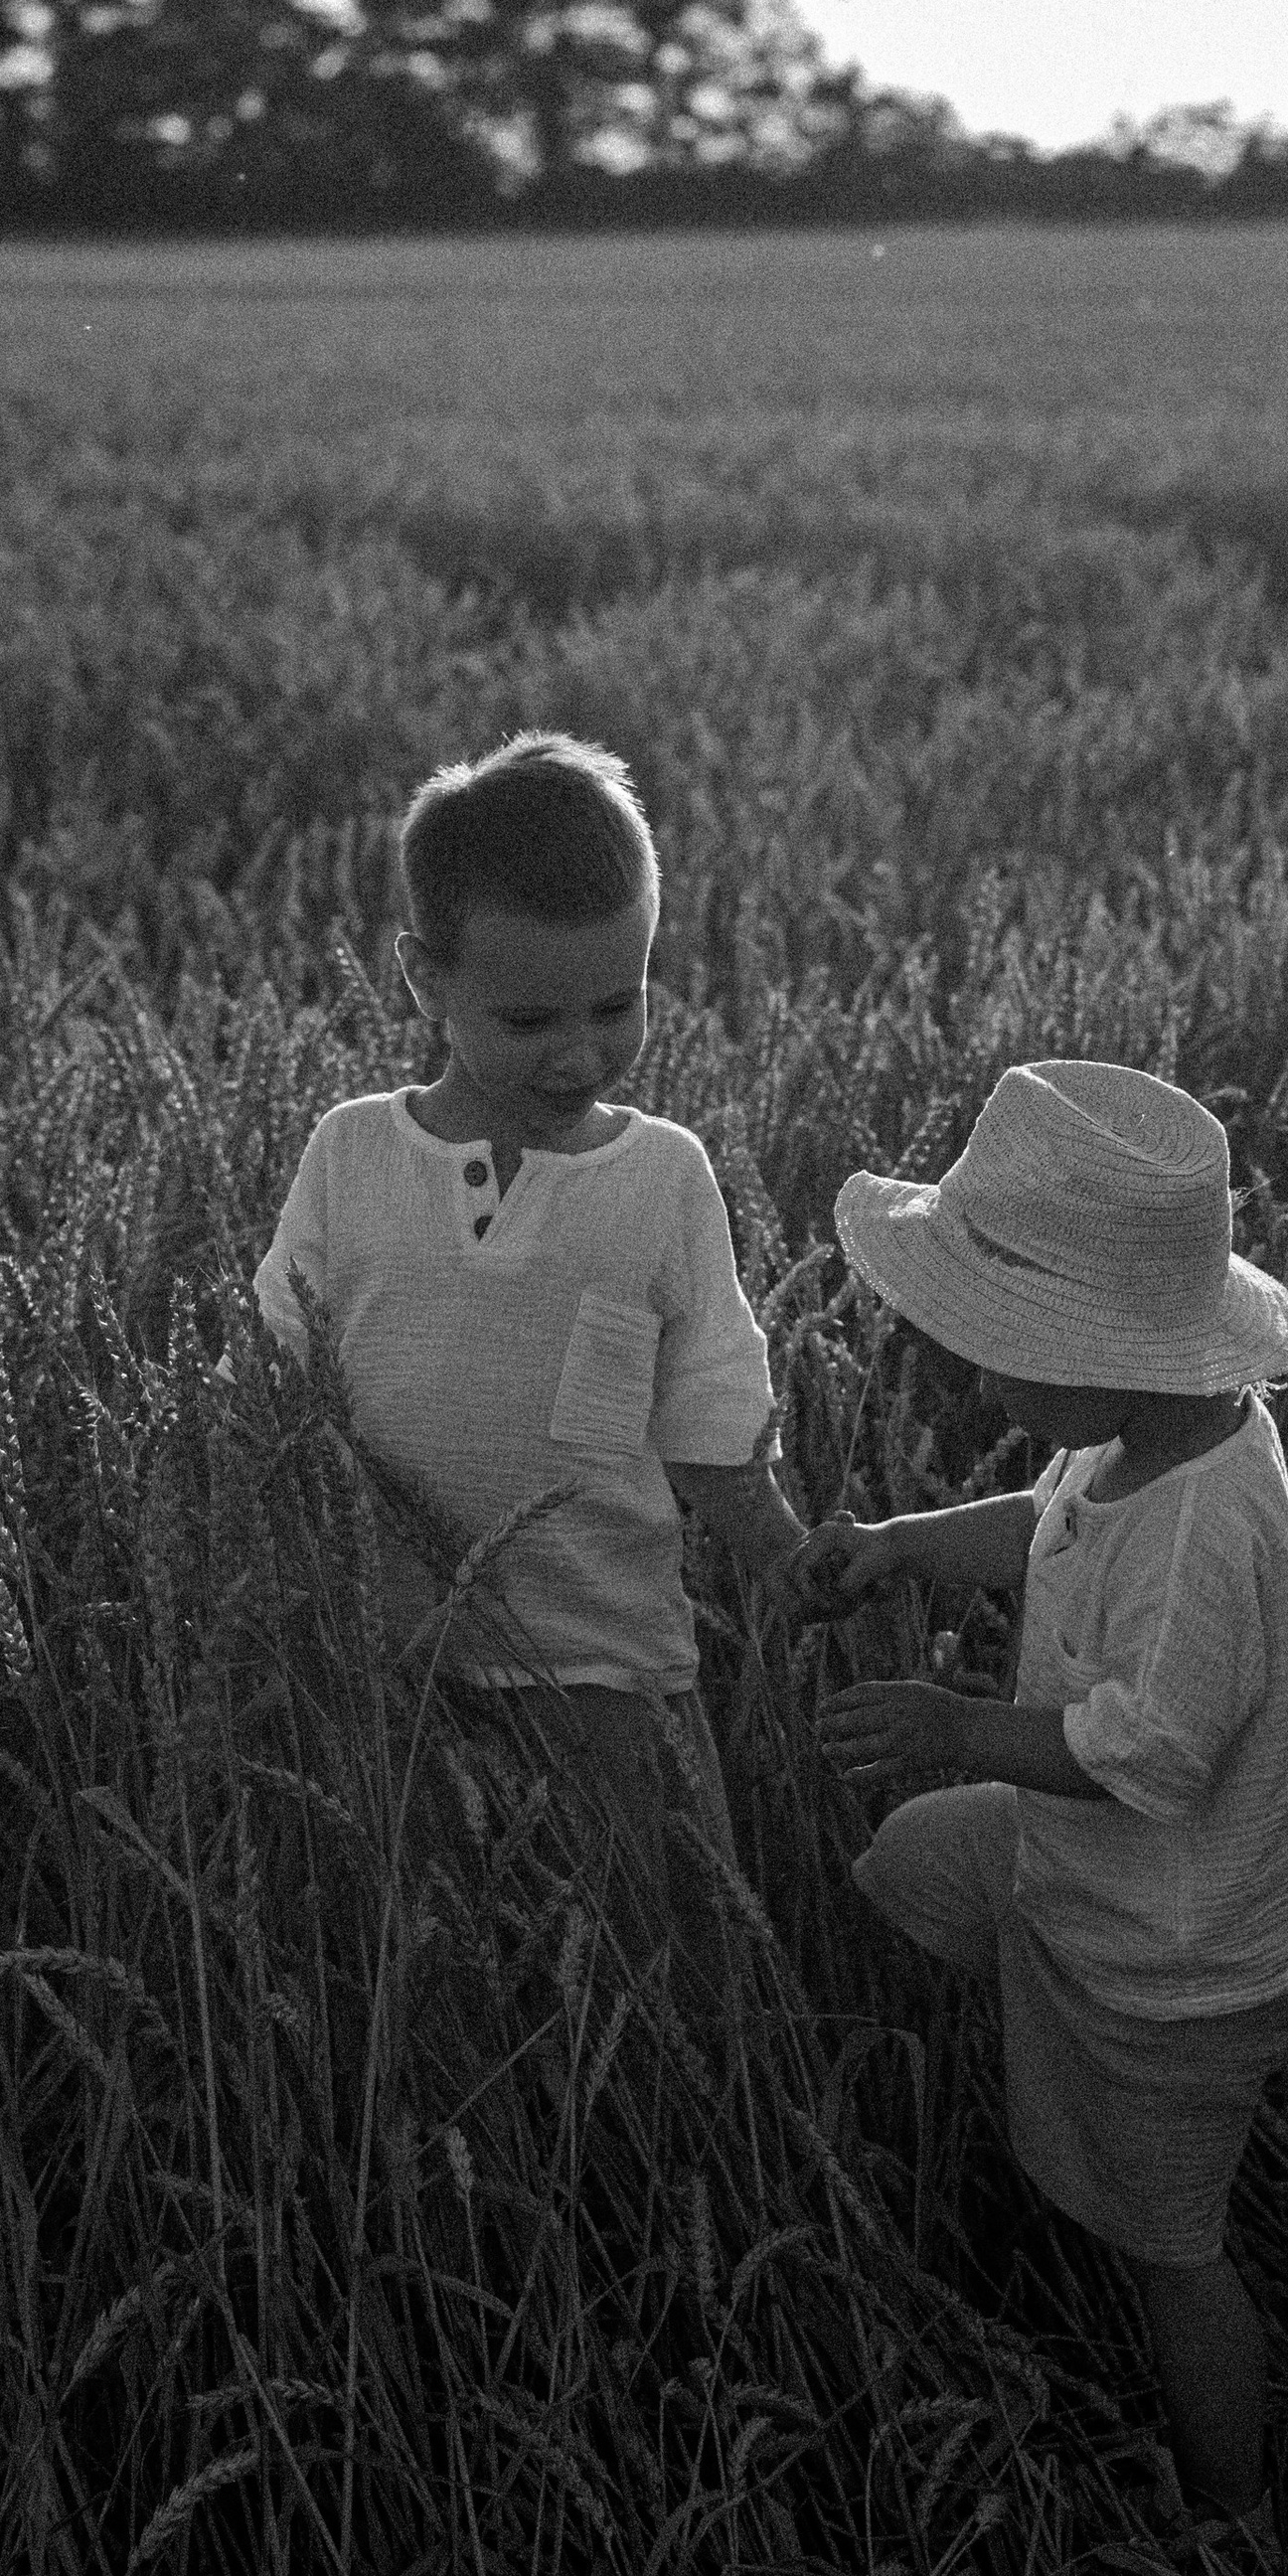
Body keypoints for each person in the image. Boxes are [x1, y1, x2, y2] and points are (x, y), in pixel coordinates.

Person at [786, 1058, 1288, 2536]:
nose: (979, 1378)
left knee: (1178, 2246)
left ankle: (1233, 2523)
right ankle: (991, 2122)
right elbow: (1043, 1525)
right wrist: (901, 1544)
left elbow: (1158, 1755)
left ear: (1117, 1349)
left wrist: (960, 1724)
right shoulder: (1142, 1434)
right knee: (908, 1867)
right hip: (1101, 1879)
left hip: (1187, 1953)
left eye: (1004, 1345)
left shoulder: (1208, 1518)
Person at [255, 730, 804, 1953]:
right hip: (398, 1655)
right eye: (527, 1016)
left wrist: (785, 1557)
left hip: (603, 1661)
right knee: (438, 1941)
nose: (578, 1050)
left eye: (618, 1005)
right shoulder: (351, 1155)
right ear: (420, 981)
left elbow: (708, 1408)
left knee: (652, 1937)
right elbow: (280, 1378)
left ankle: (670, 2135)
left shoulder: (661, 1178)